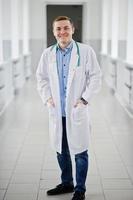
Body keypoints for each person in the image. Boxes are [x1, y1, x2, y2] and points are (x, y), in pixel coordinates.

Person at [36, 16, 101, 200]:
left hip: (76, 110)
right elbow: (41, 78)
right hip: (57, 111)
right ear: (54, 31)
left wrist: (84, 100)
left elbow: (96, 77)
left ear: (73, 29)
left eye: (66, 28)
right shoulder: (47, 54)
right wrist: (47, 98)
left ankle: (80, 189)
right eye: (58, 29)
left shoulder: (85, 51)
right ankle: (67, 183)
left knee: (80, 151)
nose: (62, 32)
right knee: (60, 149)